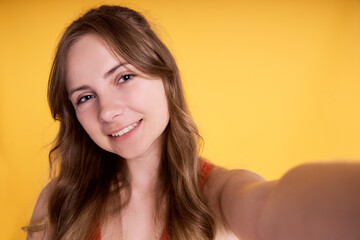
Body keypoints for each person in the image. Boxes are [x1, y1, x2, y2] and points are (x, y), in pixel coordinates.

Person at [26, 5, 360, 240]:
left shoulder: (219, 195)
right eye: (85, 97)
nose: (107, 111)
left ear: (164, 77)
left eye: (124, 76)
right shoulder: (58, 201)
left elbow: (273, 209)